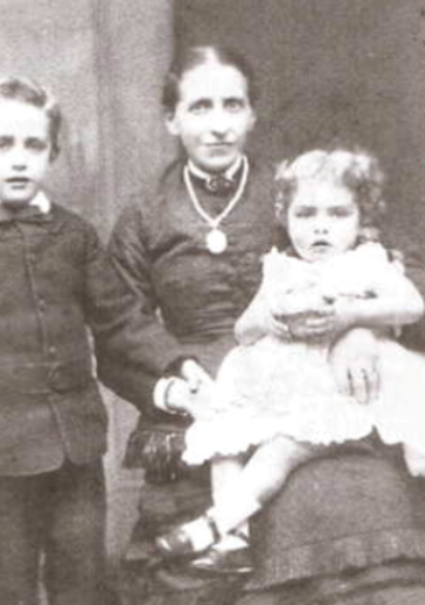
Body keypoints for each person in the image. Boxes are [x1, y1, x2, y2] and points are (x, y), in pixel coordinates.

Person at [96, 45, 425, 604]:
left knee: (349, 509)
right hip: (208, 398)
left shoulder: (295, 192)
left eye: (233, 105)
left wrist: (358, 330)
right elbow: (120, 326)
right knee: (194, 567)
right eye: (200, 108)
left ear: (252, 114)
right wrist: (176, 381)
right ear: (171, 119)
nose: (219, 125)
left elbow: (395, 266)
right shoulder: (144, 214)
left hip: (316, 381)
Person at [155, 148, 425, 566]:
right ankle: (234, 544)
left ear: (361, 219)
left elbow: (411, 306)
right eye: (305, 214)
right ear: (284, 216)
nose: (320, 227)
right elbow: (244, 331)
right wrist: (268, 317)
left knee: (278, 453)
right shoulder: (280, 269)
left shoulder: (367, 263)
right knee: (224, 442)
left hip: (333, 388)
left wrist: (350, 315)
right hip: (277, 384)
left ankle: (216, 523)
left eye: (338, 214)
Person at [0, 77, 122, 605]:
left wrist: (173, 368)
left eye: (33, 146)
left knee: (82, 585)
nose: (19, 160)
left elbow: (119, 318)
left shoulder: (75, 235)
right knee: (9, 588)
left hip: (75, 449)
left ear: (53, 153)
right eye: (2, 144)